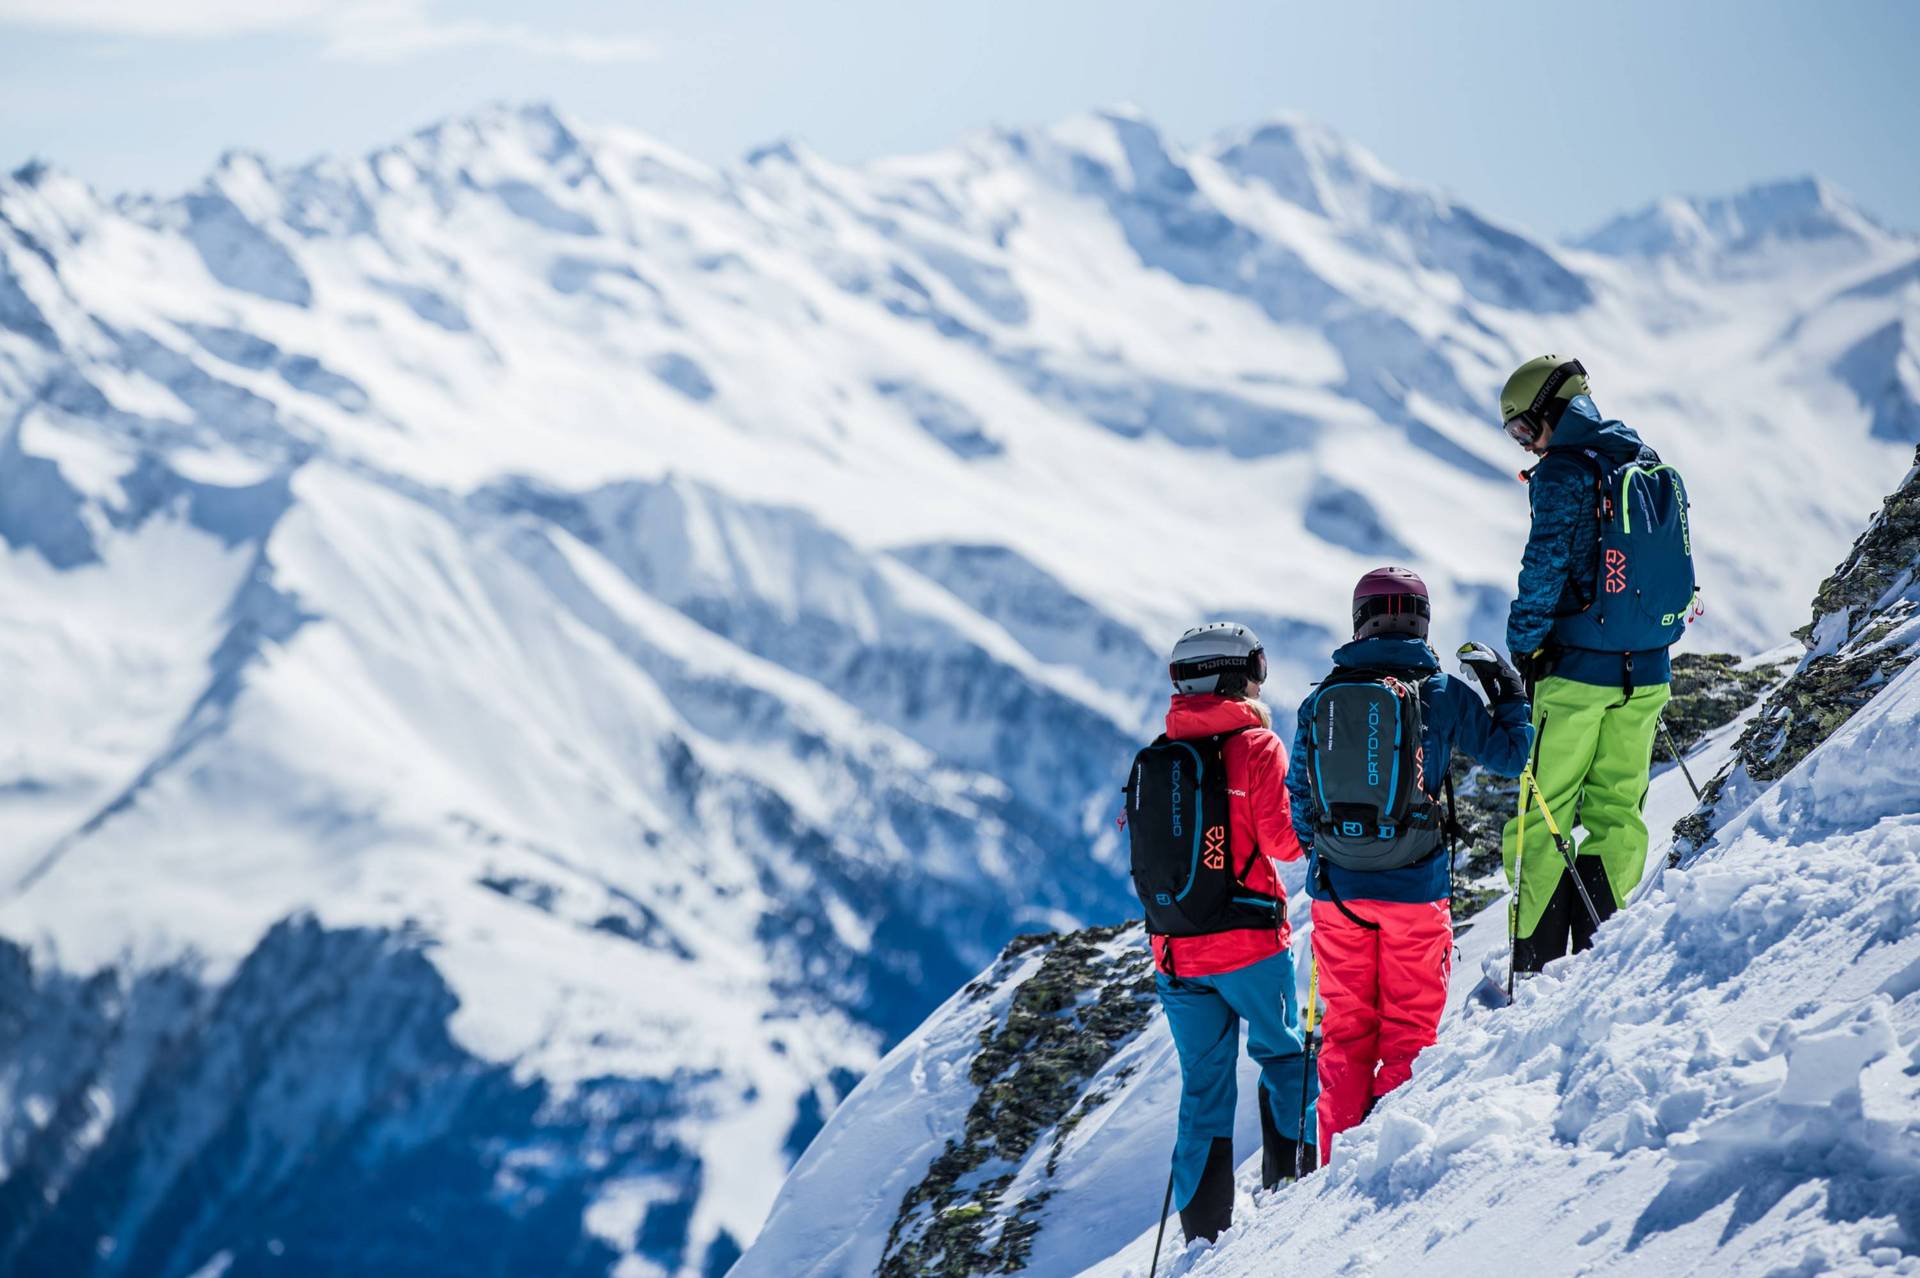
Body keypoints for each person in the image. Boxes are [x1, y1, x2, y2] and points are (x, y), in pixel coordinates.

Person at [1285, 568, 1532, 1161]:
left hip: (1339, 895)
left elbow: (1298, 798)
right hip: (1416, 894)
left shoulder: (1320, 701)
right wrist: (1509, 694)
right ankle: (1387, 1165)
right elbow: (1511, 757)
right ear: (1422, 621)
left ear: (1359, 620)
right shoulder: (1443, 692)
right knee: (1408, 1040)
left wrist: (1331, 855)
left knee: (1344, 1040)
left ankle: (1332, 1171)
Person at [1496, 355, 1695, 974]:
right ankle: (1602, 953)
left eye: (1525, 430)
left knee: (1544, 811)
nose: (1527, 444)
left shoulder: (1563, 472)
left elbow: (1544, 567)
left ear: (1553, 410)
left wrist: (1524, 643)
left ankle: (1533, 959)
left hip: (1577, 672)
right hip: (1647, 673)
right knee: (1617, 807)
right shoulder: (1642, 459)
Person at [1133, 623, 1315, 1245]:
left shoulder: (1159, 754)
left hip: (1175, 955)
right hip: (1247, 945)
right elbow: (1283, 842)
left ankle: (1201, 1235)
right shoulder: (1256, 747)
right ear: (1239, 674)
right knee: (1285, 1056)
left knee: (1203, 1087)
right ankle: (1296, 1198)